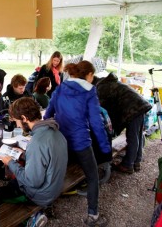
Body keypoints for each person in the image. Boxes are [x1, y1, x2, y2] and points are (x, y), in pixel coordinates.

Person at [44, 60, 111, 226]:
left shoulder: (60, 89)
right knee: (92, 176)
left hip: (60, 140)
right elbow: (96, 123)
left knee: (54, 173)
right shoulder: (90, 92)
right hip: (81, 142)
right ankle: (92, 216)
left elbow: (47, 115)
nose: (92, 79)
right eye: (92, 75)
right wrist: (105, 147)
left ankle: (47, 206)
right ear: (88, 75)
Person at [0, 97, 67, 211]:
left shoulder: (37, 142)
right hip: (54, 188)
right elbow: (48, 159)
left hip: (40, 196)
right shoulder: (55, 132)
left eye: (16, 121)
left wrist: (10, 162)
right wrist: (24, 155)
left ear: (24, 118)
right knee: (13, 183)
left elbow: (32, 182)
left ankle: (30, 218)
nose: (18, 126)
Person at [93, 72, 152, 174]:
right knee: (137, 135)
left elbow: (102, 109)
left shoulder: (101, 87)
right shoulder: (106, 82)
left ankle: (128, 165)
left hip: (133, 108)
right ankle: (136, 161)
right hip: (140, 105)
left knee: (132, 137)